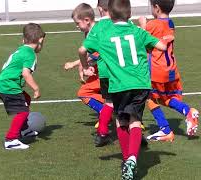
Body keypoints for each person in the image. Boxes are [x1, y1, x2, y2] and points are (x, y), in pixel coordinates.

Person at [79, 0, 166, 179]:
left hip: (118, 84)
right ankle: (132, 159)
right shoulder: (138, 31)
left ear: (110, 13)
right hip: (141, 84)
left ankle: (127, 159)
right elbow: (161, 47)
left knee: (121, 121)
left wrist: (84, 65)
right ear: (130, 13)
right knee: (135, 121)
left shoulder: (104, 35)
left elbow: (82, 50)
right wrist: (149, 32)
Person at [138, 0, 199, 142]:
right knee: (165, 98)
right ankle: (184, 114)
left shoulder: (152, 25)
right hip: (170, 69)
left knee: (151, 98)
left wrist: (142, 24)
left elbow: (140, 38)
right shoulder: (170, 23)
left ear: (157, 8)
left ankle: (168, 127)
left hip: (157, 70)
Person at [67, 2, 113, 147]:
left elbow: (94, 54)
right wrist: (83, 66)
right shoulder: (93, 31)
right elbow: (92, 55)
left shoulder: (97, 30)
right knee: (111, 99)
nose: (76, 26)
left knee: (86, 93)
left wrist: (79, 64)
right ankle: (111, 116)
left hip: (107, 72)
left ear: (87, 20)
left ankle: (107, 119)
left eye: (77, 23)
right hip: (103, 70)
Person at [0, 23, 46, 150]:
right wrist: (36, 88)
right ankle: (11, 139)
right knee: (23, 111)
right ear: (40, 40)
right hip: (8, 86)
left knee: (26, 99)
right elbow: (26, 73)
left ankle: (24, 130)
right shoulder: (30, 54)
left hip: (4, 84)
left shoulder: (21, 50)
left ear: (23, 40)